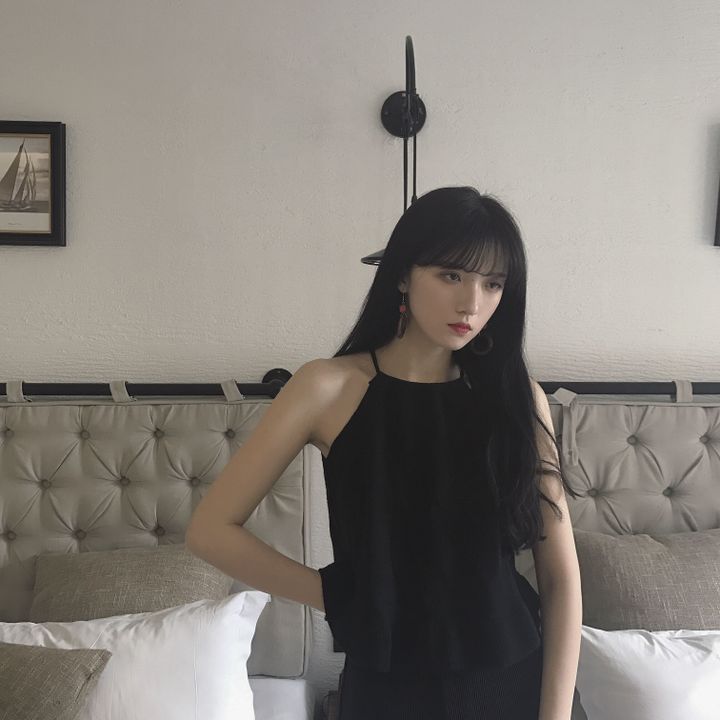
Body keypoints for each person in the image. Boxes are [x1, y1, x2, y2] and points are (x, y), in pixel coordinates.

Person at [187, 186, 583, 720]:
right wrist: (335, 595)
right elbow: (209, 531)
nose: (472, 303)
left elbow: (560, 577)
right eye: (451, 275)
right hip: (386, 683)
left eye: (493, 283)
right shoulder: (327, 387)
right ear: (401, 275)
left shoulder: (516, 397)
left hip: (509, 677)